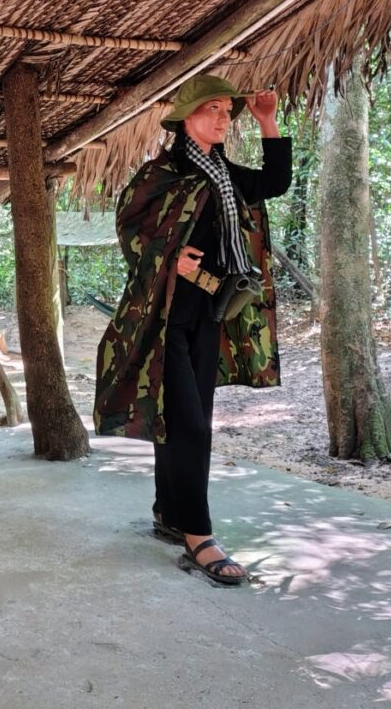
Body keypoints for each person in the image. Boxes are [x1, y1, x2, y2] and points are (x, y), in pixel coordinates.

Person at [95, 73, 291, 586]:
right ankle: (198, 535)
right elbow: (128, 228)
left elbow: (274, 183)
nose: (224, 118)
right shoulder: (162, 173)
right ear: (186, 119)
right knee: (191, 424)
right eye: (214, 110)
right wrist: (168, 256)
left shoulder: (224, 173)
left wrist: (268, 121)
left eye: (229, 111)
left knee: (186, 413)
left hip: (211, 312)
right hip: (165, 312)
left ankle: (168, 512)